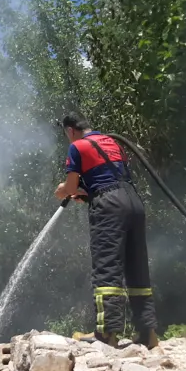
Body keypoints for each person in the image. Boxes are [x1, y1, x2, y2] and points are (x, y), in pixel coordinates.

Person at [54, 112, 159, 349]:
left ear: (71, 131)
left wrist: (65, 190)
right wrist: (87, 192)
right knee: (137, 267)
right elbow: (109, 177)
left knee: (107, 266)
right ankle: (148, 333)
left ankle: (106, 334)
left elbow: (70, 186)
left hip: (109, 205)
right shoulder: (112, 142)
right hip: (133, 201)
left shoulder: (77, 146)